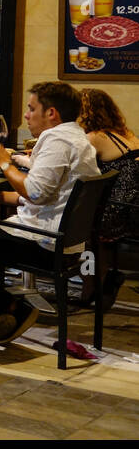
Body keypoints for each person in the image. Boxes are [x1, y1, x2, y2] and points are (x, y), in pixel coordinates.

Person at [0, 82, 100, 346]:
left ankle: (4, 307)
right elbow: (46, 196)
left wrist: (4, 163)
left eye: (31, 108)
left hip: (46, 244)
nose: (26, 115)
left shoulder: (57, 140)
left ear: (51, 113)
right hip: (67, 242)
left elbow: (35, 193)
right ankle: (2, 307)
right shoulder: (77, 137)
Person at [73, 88, 138, 308]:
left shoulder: (94, 138)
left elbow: (75, 169)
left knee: (79, 232)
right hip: (131, 206)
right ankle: (101, 280)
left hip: (115, 209)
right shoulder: (125, 133)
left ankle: (90, 286)